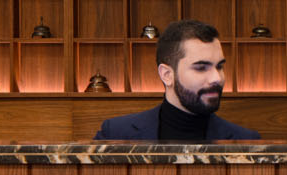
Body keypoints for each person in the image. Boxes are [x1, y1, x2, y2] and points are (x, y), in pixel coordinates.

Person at [92, 19, 260, 141]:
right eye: (201, 67)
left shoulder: (247, 140)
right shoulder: (114, 134)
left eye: (220, 66)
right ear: (167, 75)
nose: (217, 78)